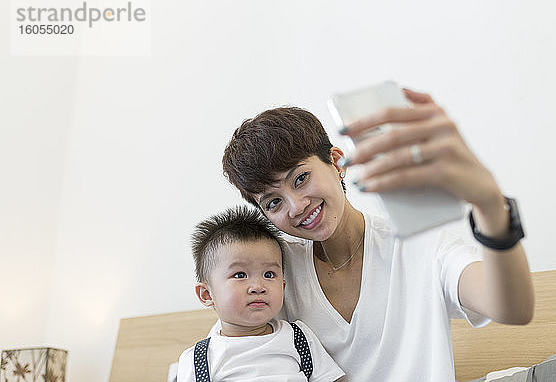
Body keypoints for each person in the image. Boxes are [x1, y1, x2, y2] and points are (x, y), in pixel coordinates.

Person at [220, 88, 535, 381]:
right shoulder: (269, 273)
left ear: (336, 162)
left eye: (301, 178)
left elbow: (513, 308)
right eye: (273, 202)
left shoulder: (419, 244)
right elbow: (223, 356)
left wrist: (490, 205)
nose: (296, 206)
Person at [177, 206, 345, 382]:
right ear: (207, 294)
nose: (258, 286)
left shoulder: (298, 338)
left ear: (283, 286)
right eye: (240, 275)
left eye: (269, 275)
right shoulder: (198, 360)